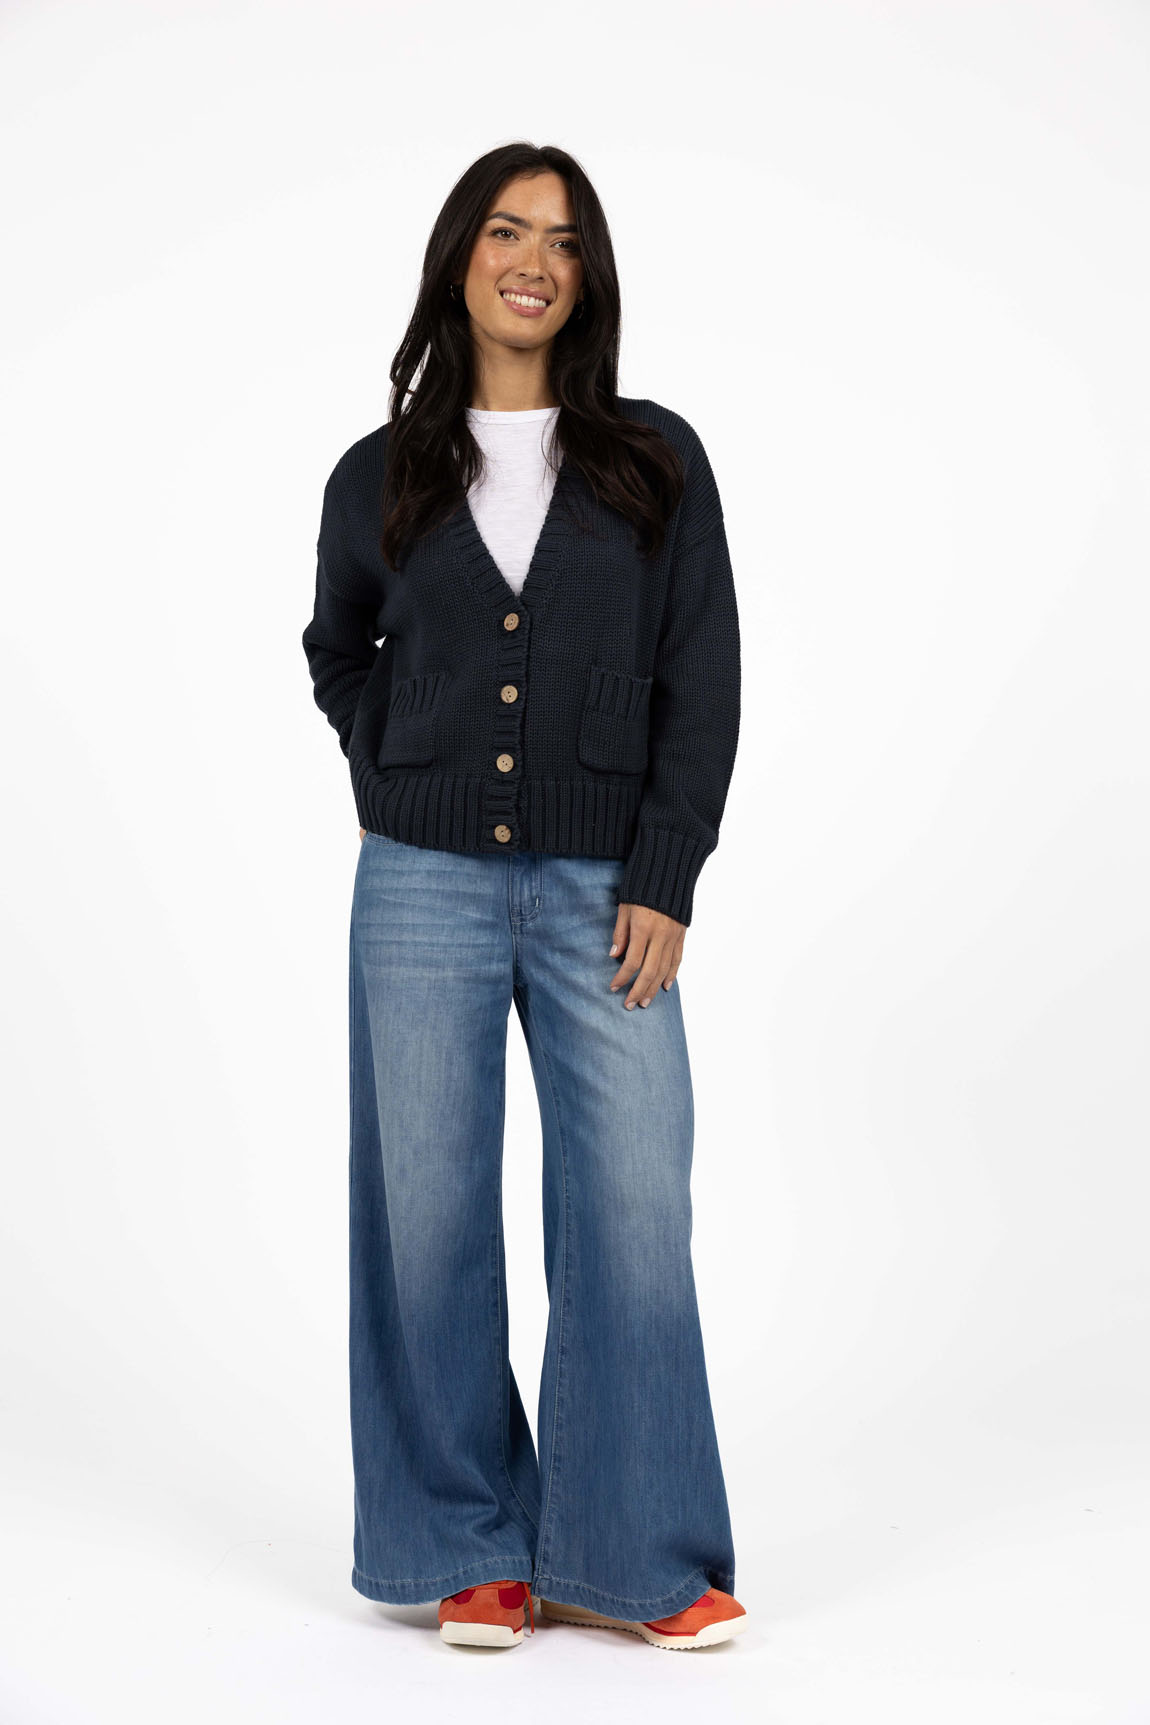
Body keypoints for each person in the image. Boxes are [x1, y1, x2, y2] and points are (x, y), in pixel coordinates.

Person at [302, 142, 746, 1653]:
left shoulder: (652, 460)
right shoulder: (378, 474)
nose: (531, 261)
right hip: (418, 884)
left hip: (605, 888)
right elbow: (336, 650)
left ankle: (636, 1552)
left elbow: (701, 675)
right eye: (505, 231)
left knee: (632, 1203)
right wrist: (397, 759)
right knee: (425, 1211)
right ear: (460, 258)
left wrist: (666, 870)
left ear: (587, 274)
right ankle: (463, 1543)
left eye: (560, 239)